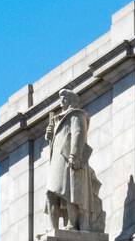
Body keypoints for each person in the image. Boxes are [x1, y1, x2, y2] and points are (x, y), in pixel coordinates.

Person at [44, 88, 105, 232]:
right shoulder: (58, 118)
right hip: (57, 161)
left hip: (67, 158)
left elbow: (78, 133)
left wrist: (74, 155)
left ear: (70, 100)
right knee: (51, 192)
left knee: (69, 192)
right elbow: (56, 141)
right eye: (60, 99)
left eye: (64, 98)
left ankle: (72, 223)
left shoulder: (76, 114)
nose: (61, 101)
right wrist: (49, 135)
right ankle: (53, 228)